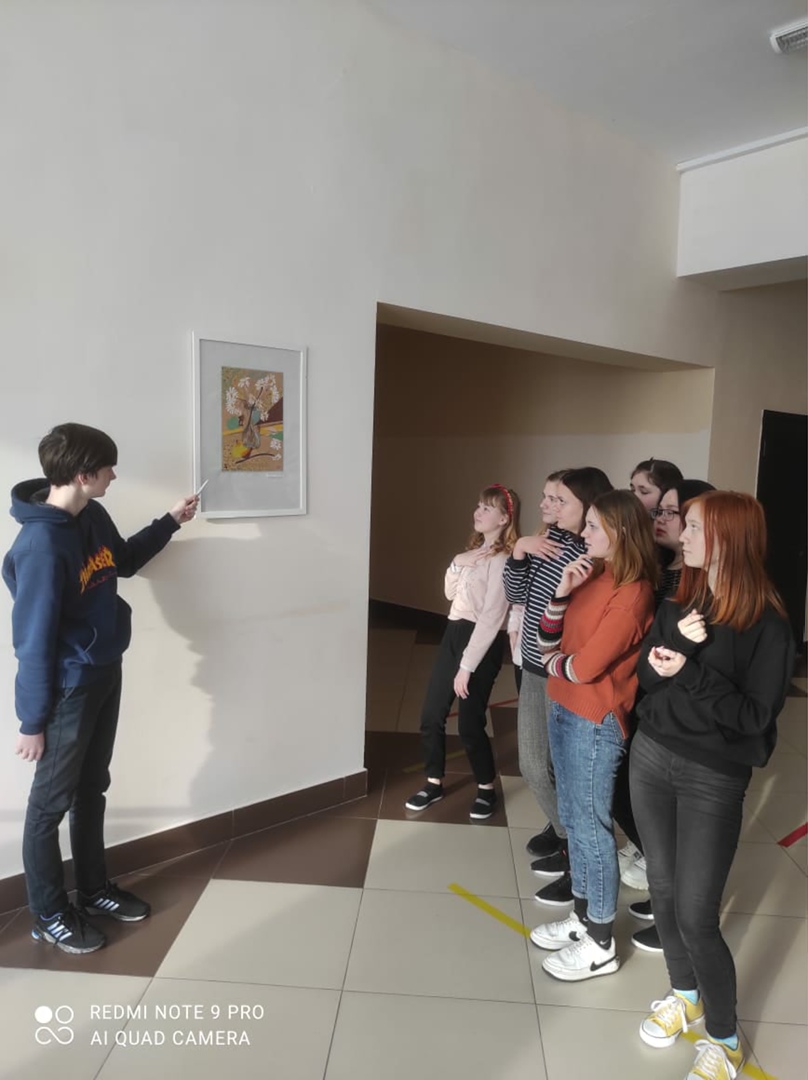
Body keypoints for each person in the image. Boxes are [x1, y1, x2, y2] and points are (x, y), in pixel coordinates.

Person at [3, 423, 199, 954]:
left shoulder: (91, 514)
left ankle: (92, 890)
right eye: (108, 467)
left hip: (104, 669)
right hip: (68, 688)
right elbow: (32, 643)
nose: (114, 474)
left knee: (92, 788)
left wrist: (170, 521)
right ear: (82, 474)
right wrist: (31, 721)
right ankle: (48, 914)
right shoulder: (39, 547)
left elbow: (124, 562)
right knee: (48, 807)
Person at [630, 491, 794, 1080]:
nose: (682, 533)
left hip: (712, 778)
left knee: (697, 914)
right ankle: (685, 994)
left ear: (730, 538)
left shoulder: (769, 626)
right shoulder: (683, 598)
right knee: (663, 890)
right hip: (651, 757)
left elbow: (755, 719)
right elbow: (647, 676)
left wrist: (691, 670)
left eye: (695, 526)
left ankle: (724, 1040)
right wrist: (673, 651)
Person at [528, 489, 657, 981]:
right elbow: (545, 638)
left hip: (595, 718)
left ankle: (601, 942)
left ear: (620, 532)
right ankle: (583, 918)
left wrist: (554, 663)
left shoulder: (634, 593)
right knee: (573, 817)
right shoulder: (592, 574)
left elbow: (583, 667)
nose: (583, 533)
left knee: (591, 826)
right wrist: (561, 593)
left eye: (593, 526)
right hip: (565, 705)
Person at [503, 467, 612, 906]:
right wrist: (520, 551)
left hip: (565, 673)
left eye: (558, 499)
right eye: (546, 497)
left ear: (589, 506)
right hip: (535, 666)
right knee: (534, 764)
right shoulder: (549, 542)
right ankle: (568, 840)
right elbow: (516, 594)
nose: (546, 505)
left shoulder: (595, 555)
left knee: (557, 768)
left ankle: (575, 855)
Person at [616, 480, 716, 951]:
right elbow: (651, 654)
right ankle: (665, 899)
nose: (660, 518)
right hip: (651, 706)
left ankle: (675, 913)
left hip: (686, 728)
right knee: (643, 808)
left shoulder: (701, 589)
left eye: (673, 513)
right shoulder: (664, 572)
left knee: (679, 827)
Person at [405, 484, 520, 821]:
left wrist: (467, 666)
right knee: (431, 715)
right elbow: (449, 593)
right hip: (454, 633)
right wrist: (457, 563)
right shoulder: (472, 553)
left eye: (487, 508)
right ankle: (433, 782)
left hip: (481, 641)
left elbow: (492, 617)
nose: (478, 512)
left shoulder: (504, 560)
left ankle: (486, 787)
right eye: (478, 505)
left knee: (470, 723)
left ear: (504, 518)